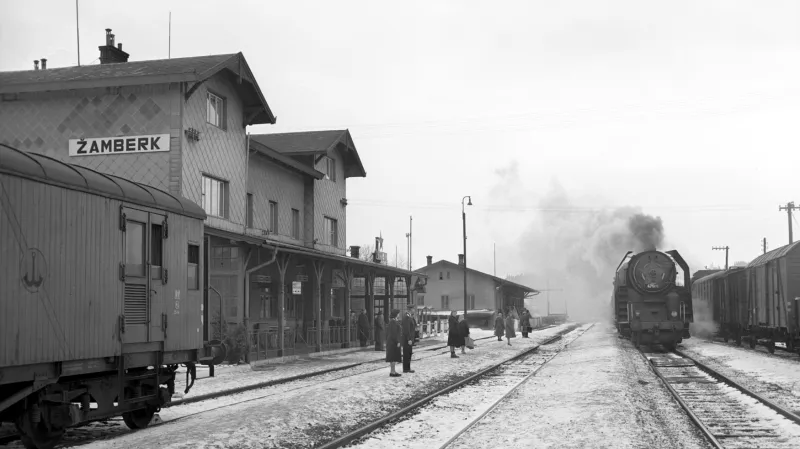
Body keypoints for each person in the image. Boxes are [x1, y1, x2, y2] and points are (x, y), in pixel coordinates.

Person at [385, 309, 402, 377]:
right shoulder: (393, 322)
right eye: (398, 313)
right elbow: (394, 333)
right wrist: (397, 341)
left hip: (392, 341)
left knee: (393, 357)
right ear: (395, 314)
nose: (399, 314)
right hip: (393, 342)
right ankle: (392, 372)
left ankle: (393, 371)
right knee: (393, 357)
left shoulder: (394, 321)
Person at [401, 304, 415, 373]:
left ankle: (407, 368)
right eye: (413, 309)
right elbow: (406, 329)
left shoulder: (409, 317)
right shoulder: (406, 317)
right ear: (410, 309)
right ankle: (406, 368)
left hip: (409, 339)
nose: (414, 310)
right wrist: (409, 339)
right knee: (407, 353)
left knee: (409, 353)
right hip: (407, 339)